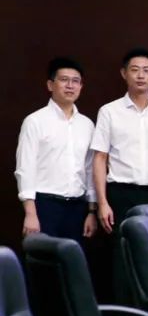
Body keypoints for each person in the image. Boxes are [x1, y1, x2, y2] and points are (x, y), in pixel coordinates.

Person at [91, 48, 148, 303]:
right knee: (121, 259)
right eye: (135, 70)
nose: (141, 75)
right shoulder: (109, 111)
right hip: (120, 195)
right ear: (124, 73)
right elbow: (100, 158)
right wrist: (102, 202)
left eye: (146, 70)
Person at [15, 57, 98, 241]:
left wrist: (91, 211)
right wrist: (30, 213)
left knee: (74, 257)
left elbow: (90, 169)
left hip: (77, 208)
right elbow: (25, 168)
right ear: (50, 85)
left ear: (81, 86)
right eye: (64, 80)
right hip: (45, 206)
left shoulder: (87, 125)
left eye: (75, 81)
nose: (70, 86)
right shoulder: (35, 121)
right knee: (44, 257)